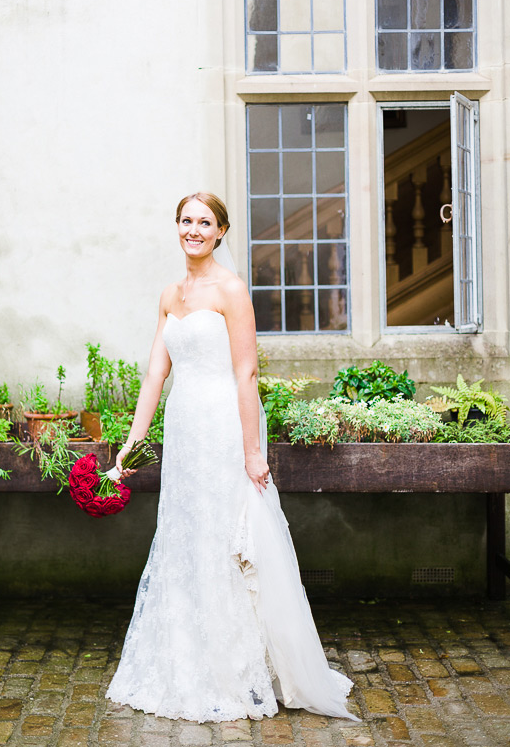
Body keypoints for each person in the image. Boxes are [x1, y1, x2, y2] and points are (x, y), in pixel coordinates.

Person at [106, 192, 357, 723]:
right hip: (183, 429)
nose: (193, 229)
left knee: (227, 539)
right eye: (185, 220)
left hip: (223, 425)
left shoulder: (232, 290)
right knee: (186, 533)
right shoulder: (170, 294)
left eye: (204, 222)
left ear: (220, 232)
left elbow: (246, 373)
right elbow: (156, 372)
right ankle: (186, 658)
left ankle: (235, 667)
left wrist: (252, 452)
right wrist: (132, 441)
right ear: (176, 227)